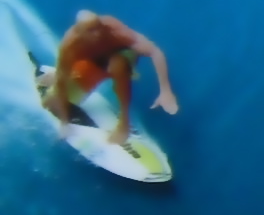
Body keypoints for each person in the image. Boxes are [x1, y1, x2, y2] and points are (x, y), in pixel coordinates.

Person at [40, 10, 178, 145]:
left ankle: (124, 124)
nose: (98, 33)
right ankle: (60, 74)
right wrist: (64, 122)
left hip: (121, 56)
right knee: (51, 104)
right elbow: (61, 83)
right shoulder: (70, 46)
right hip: (93, 62)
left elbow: (155, 51)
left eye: (99, 27)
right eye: (91, 31)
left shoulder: (115, 32)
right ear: (79, 32)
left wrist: (165, 90)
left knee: (117, 65)